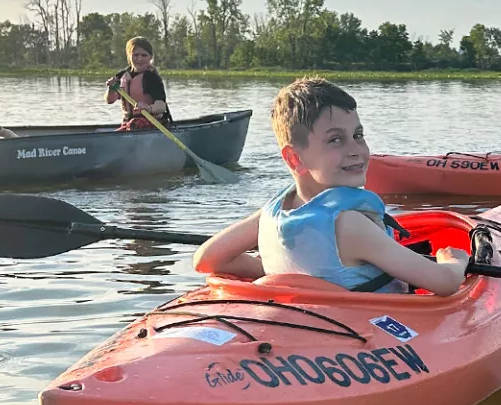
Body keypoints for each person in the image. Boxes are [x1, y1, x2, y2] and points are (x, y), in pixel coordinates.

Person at [192, 77, 469, 296]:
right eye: (335, 140)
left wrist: (274, 268)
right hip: (365, 334)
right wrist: (453, 261)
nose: (356, 150)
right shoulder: (349, 225)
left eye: (358, 135)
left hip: (306, 325)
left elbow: (206, 260)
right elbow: (444, 284)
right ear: (294, 158)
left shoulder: (271, 214)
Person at [105, 37, 172, 131]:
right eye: (135, 55)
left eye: (144, 55)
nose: (139, 59)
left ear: (151, 57)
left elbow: (161, 106)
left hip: (153, 122)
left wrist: (148, 108)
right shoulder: (121, 75)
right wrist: (111, 89)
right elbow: (110, 100)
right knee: (132, 124)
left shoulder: (152, 78)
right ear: (129, 55)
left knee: (134, 124)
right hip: (128, 123)